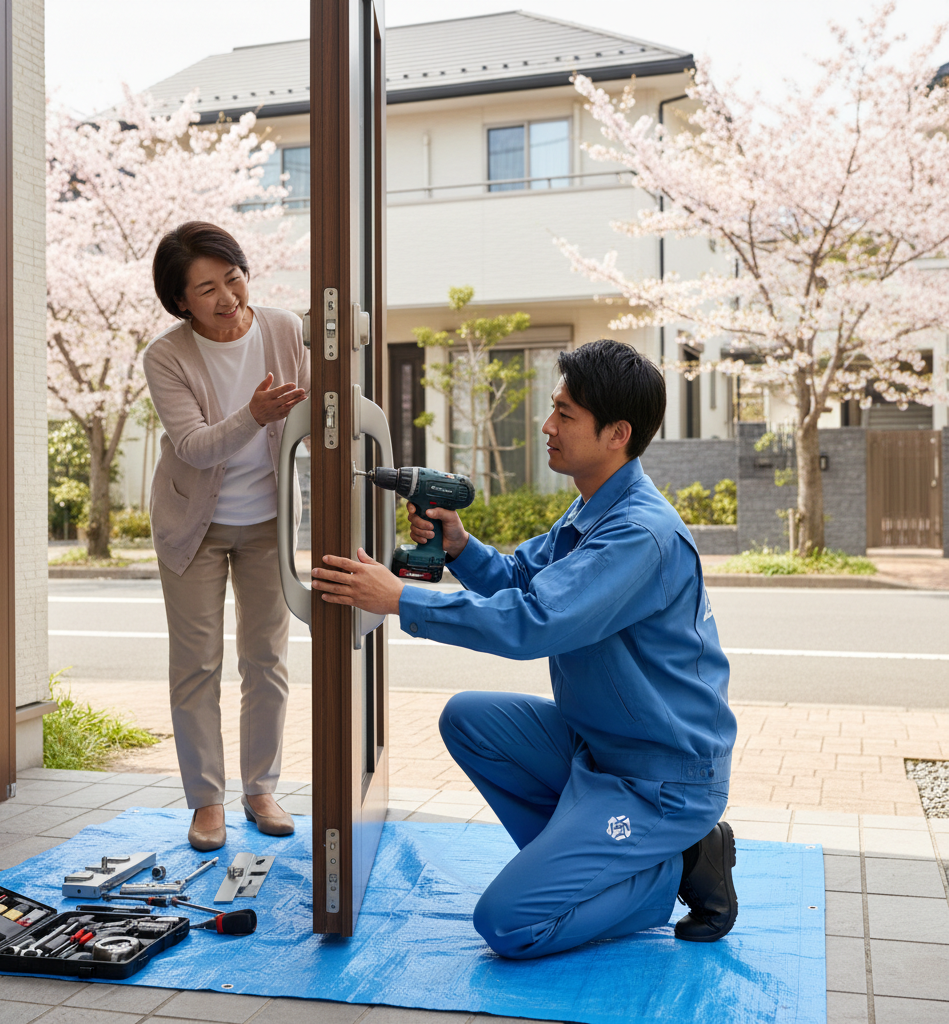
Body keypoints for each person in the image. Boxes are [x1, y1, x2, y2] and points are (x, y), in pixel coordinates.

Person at [310, 339, 738, 959]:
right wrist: (459, 547)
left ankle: (674, 868)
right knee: (470, 720)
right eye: (554, 409)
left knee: (509, 925)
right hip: (602, 749)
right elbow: (520, 578)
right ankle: (597, 862)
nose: (548, 425)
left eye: (565, 415)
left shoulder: (639, 535)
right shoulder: (592, 508)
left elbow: (534, 620)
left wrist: (399, 598)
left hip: (661, 777)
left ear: (617, 434)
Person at [144, 221, 309, 851]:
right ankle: (206, 802)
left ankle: (260, 789)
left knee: (266, 661)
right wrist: (254, 415)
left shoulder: (283, 329)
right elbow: (192, 446)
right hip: (195, 525)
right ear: (180, 299)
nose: (226, 296)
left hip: (268, 521)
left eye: (232, 276)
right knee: (197, 666)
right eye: (206, 287)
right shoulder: (167, 355)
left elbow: (313, 410)